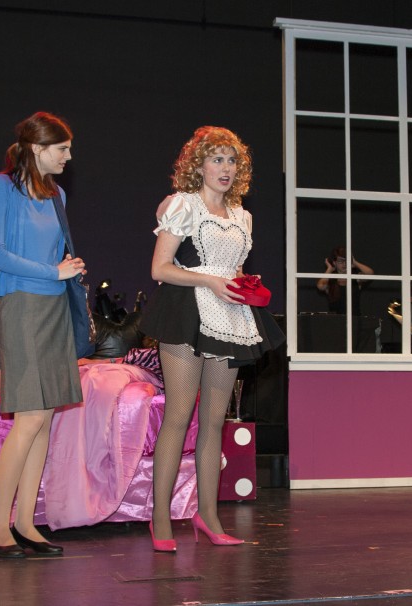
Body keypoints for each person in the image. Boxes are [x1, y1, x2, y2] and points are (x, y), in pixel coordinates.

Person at [139, 126, 284, 552]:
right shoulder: (182, 205)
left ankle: (208, 514)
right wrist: (211, 281)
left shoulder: (243, 215)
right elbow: (160, 269)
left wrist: (243, 285)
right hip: (185, 314)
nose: (225, 168)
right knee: (178, 417)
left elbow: (232, 270)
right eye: (216, 158)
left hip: (229, 318)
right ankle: (160, 518)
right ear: (197, 164)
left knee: (215, 422)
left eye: (232, 160)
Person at [0, 112, 84, 558]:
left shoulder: (57, 194)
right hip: (22, 304)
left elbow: (54, 252)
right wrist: (51, 270)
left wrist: (68, 269)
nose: (68, 156)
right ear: (38, 148)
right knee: (30, 418)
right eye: (62, 148)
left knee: (45, 418)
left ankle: (25, 522)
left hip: (55, 306)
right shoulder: (3, 186)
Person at [317, 246, 374, 315]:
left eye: (347, 261)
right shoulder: (330, 280)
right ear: (335, 263)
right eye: (340, 261)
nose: (344, 264)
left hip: (355, 320)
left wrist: (355, 263)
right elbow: (320, 286)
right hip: (336, 321)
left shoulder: (355, 277)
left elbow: (370, 274)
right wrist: (329, 269)